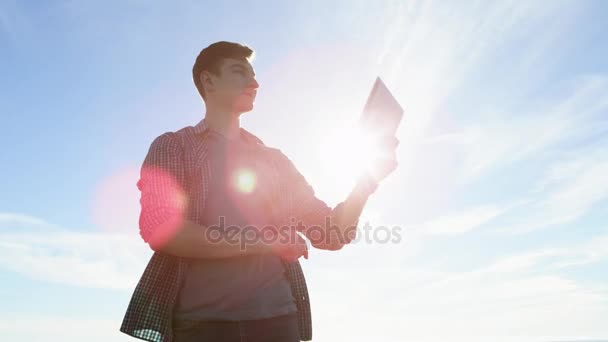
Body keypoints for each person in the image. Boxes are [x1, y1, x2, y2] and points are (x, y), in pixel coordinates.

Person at [120, 41, 398, 342]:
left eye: (254, 75)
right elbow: (162, 228)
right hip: (199, 325)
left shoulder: (274, 161)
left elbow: (331, 234)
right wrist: (266, 243)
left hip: (278, 322)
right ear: (208, 80)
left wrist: (366, 182)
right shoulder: (173, 147)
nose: (254, 83)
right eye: (239, 72)